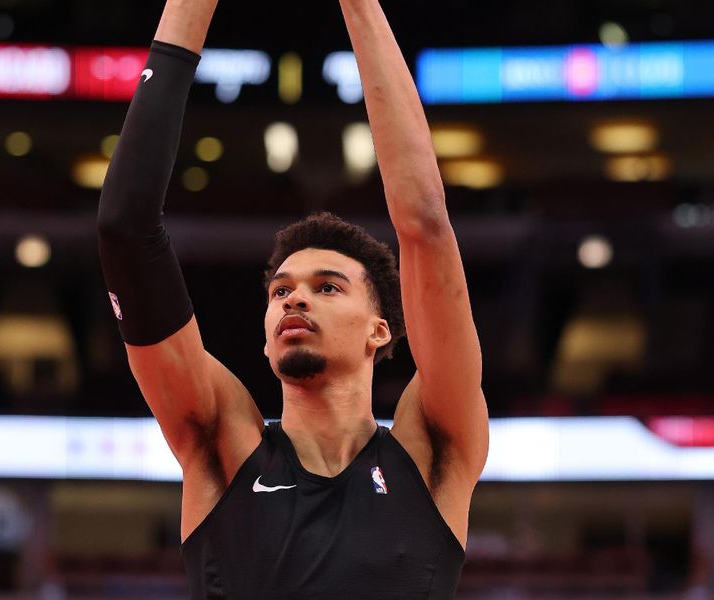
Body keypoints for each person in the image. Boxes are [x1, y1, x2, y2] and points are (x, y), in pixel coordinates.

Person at [97, 0, 489, 597]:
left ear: (380, 329)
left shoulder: (432, 448)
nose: (293, 300)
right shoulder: (221, 443)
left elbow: (425, 225)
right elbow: (126, 228)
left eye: (326, 287)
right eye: (280, 291)